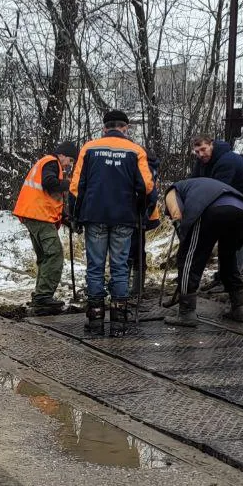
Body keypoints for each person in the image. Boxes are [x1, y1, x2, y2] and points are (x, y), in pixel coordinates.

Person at [69, 110, 157, 336]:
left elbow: (76, 186)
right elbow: (147, 187)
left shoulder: (89, 148)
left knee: (95, 266)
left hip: (94, 215)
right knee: (119, 267)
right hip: (124, 217)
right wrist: (142, 211)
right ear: (125, 128)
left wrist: (75, 216)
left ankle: (95, 320)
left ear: (104, 127)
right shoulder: (136, 150)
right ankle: (119, 322)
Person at [162, 176, 243, 326]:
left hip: (211, 207)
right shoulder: (196, 186)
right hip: (242, 210)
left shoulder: (172, 190)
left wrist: (184, 240)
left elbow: (177, 215)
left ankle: (186, 313)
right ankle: (239, 307)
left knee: (189, 259)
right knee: (228, 258)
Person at [190, 137, 243, 287]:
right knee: (226, 239)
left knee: (238, 241)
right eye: (197, 152)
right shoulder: (202, 162)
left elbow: (216, 192)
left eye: (203, 149)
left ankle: (231, 282)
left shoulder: (226, 162)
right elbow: (194, 182)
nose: (201, 154)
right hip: (239, 201)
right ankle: (222, 277)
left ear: (212, 145)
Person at [13, 142, 79, 314]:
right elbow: (50, 183)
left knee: (44, 257)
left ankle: (40, 296)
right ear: (62, 155)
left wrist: (67, 220)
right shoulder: (51, 162)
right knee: (54, 254)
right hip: (38, 215)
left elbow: (50, 198)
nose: (68, 165)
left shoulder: (47, 163)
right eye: (70, 160)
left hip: (34, 214)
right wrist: (71, 184)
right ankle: (43, 297)